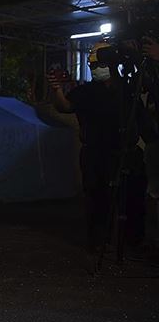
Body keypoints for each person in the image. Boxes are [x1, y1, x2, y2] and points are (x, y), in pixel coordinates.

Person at [48, 41, 149, 254]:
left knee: (133, 199)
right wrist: (56, 90)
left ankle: (133, 240)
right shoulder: (86, 91)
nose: (95, 69)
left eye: (98, 65)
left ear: (112, 65)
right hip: (95, 154)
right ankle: (98, 240)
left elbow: (144, 124)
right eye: (92, 66)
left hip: (125, 153)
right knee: (97, 198)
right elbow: (65, 106)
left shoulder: (129, 90)